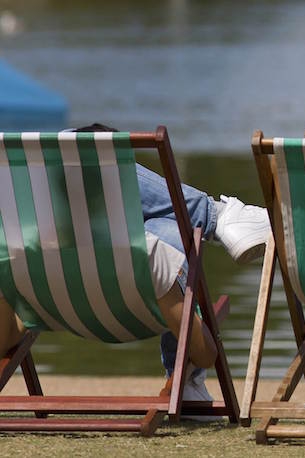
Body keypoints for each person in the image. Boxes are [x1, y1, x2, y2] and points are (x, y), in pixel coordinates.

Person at [0, 123, 271, 418]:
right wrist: (198, 344)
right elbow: (204, 355)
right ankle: (217, 215)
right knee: (169, 227)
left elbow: (5, 338)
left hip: (71, 311)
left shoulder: (16, 257)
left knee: (73, 144)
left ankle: (218, 215)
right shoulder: (151, 255)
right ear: (124, 191)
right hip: (140, 309)